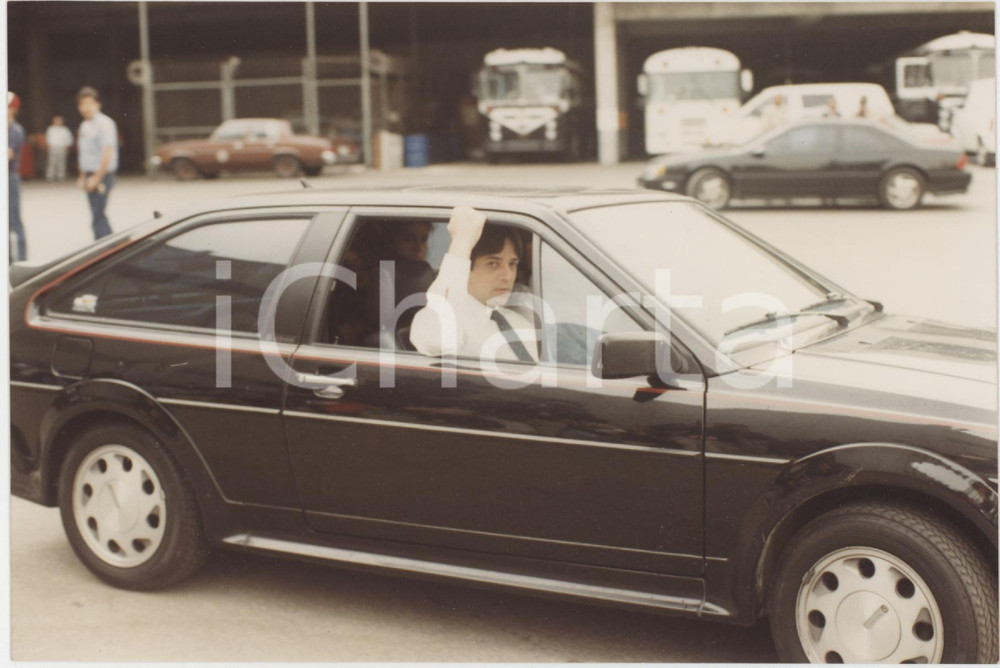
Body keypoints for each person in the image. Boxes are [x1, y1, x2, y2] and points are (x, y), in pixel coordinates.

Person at [410, 207, 538, 362]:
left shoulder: (517, 320)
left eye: (512, 264)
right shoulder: (434, 322)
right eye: (493, 264)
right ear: (465, 268)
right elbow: (438, 335)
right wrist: (462, 241)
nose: (508, 276)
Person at [76, 86, 117, 240]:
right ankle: (106, 247)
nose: (85, 107)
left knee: (98, 216)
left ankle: (107, 250)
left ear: (97, 104)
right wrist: (82, 176)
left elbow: (107, 153)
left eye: (89, 103)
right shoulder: (84, 125)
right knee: (96, 215)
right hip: (89, 173)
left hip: (102, 176)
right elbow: (84, 153)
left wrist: (97, 178)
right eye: (82, 104)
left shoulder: (105, 123)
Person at [8, 91, 27, 263]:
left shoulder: (15, 130)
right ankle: (7, 259)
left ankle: (22, 259)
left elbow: (8, 155)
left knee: (14, 219)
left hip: (10, 176)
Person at [44, 115, 73, 181]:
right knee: (52, 162)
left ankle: (61, 176)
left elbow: (69, 138)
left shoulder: (65, 130)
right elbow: (48, 138)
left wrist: (67, 145)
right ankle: (50, 176)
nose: (58, 122)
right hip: (53, 147)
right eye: (56, 120)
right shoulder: (50, 129)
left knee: (61, 162)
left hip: (62, 147)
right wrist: (49, 145)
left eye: (59, 120)